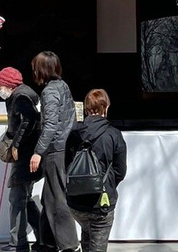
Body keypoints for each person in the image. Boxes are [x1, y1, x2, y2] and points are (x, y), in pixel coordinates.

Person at [29, 51, 79, 252]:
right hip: (64, 147)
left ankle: (69, 245)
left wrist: (38, 152)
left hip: (55, 150)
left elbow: (50, 124)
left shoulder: (49, 92)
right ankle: (47, 242)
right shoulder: (63, 86)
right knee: (48, 197)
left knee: (57, 199)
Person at [65, 89, 127, 252]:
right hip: (102, 202)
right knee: (98, 240)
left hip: (76, 202)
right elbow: (121, 171)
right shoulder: (114, 134)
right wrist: (107, 184)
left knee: (86, 233)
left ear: (86, 109)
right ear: (105, 108)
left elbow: (66, 164)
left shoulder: (74, 133)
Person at [0, 67, 42, 252]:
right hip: (27, 153)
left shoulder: (20, 97)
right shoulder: (21, 95)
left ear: (8, 85)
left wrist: (16, 144)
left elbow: (29, 120)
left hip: (25, 154)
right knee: (24, 198)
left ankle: (18, 243)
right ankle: (44, 236)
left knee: (17, 198)